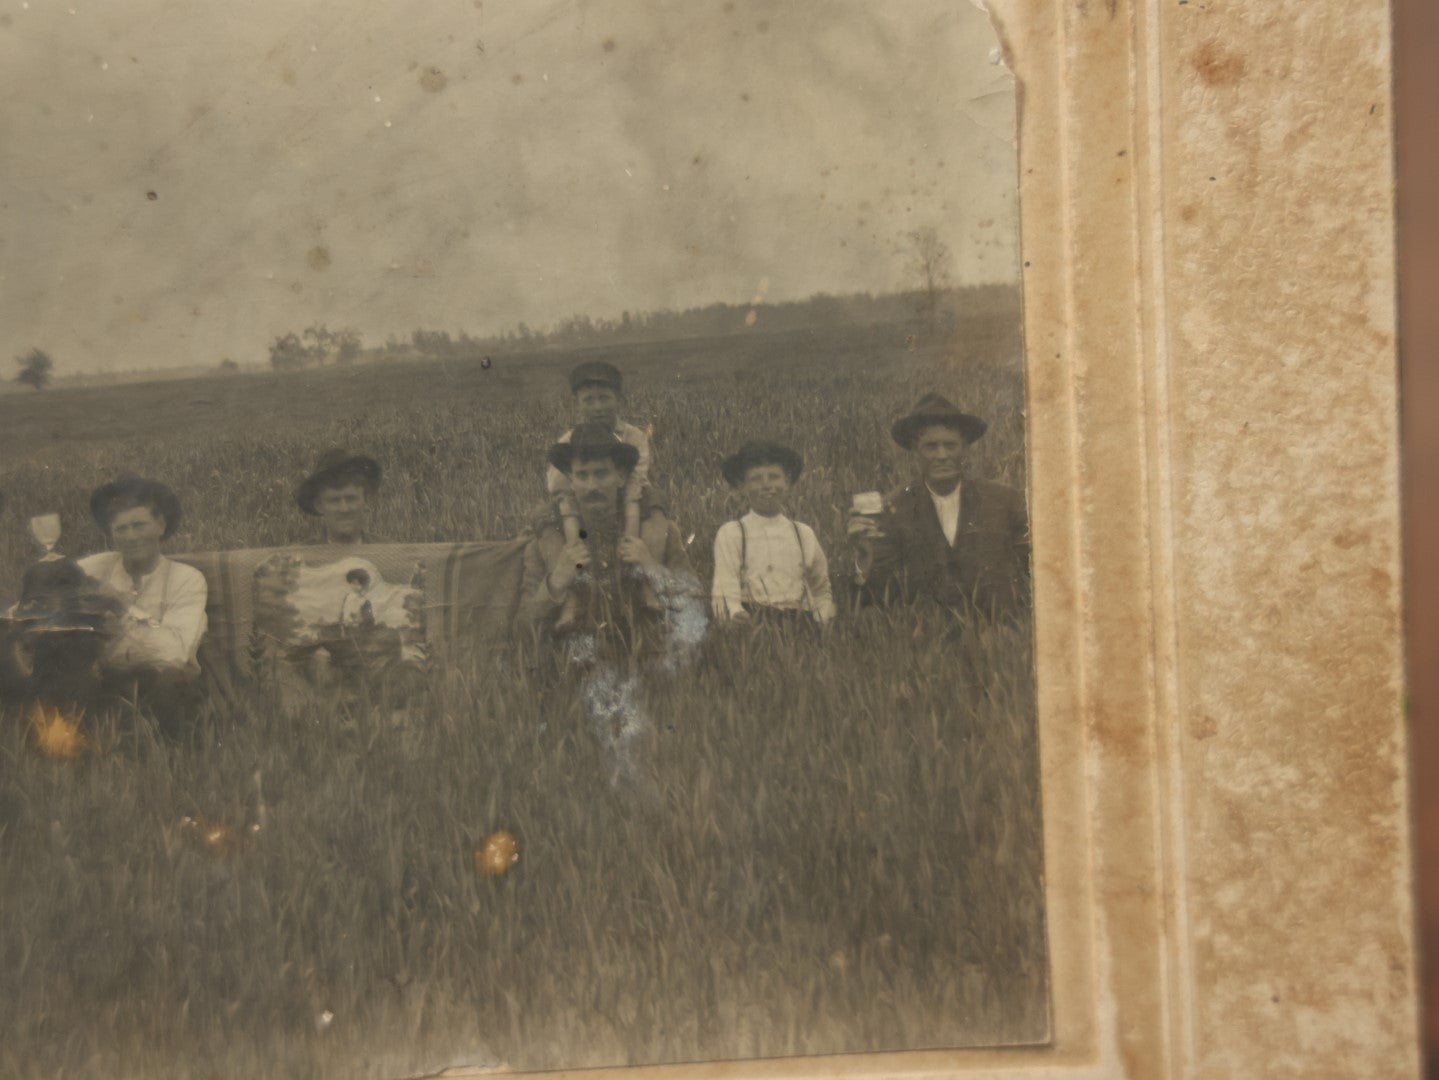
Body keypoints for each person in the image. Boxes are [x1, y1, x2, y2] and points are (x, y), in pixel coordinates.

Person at [519, 421, 700, 658]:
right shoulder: (549, 540)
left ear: (621, 476)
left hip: (647, 661)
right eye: (582, 475)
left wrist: (651, 567)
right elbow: (522, 629)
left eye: (601, 474)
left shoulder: (655, 531)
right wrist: (556, 582)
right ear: (571, 480)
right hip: (578, 666)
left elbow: (698, 604)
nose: (592, 486)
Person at [848, 392, 1030, 620]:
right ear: (915, 450)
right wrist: (864, 559)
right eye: (931, 447)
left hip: (1001, 630)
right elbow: (879, 599)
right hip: (928, 635)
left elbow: (1034, 570)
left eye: (950, 446)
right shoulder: (893, 509)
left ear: (964, 448)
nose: (942, 455)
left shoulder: (1003, 500)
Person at [77, 477, 209, 734]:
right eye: (121, 529)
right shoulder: (96, 568)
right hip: (106, 683)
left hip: (164, 688)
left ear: (160, 526)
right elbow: (54, 584)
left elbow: (174, 654)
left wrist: (121, 606)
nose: (131, 537)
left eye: (139, 525)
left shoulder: (186, 579)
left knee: (170, 683)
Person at [711, 440, 835, 626]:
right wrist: (736, 615)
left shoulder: (803, 534)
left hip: (799, 623)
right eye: (756, 479)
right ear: (743, 486)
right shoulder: (732, 533)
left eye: (774, 477)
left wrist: (822, 619)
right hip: (752, 622)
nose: (766, 485)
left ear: (787, 483)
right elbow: (724, 590)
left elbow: (821, 590)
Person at [296, 449, 383, 547]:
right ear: (319, 506)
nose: (344, 509)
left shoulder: (389, 551)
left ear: (366, 500)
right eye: (334, 500)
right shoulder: (299, 554)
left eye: (351, 499)